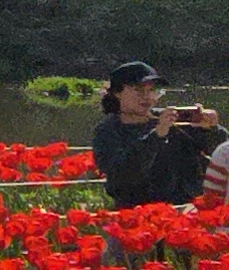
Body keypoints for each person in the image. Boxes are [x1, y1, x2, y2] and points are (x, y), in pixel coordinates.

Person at [91, 62, 218, 209]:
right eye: (138, 90)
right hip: (138, 212)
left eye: (152, 90)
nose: (147, 96)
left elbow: (220, 153)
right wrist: (157, 135)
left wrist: (211, 129)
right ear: (117, 92)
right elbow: (123, 174)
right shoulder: (108, 130)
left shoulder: (173, 120)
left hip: (187, 210)